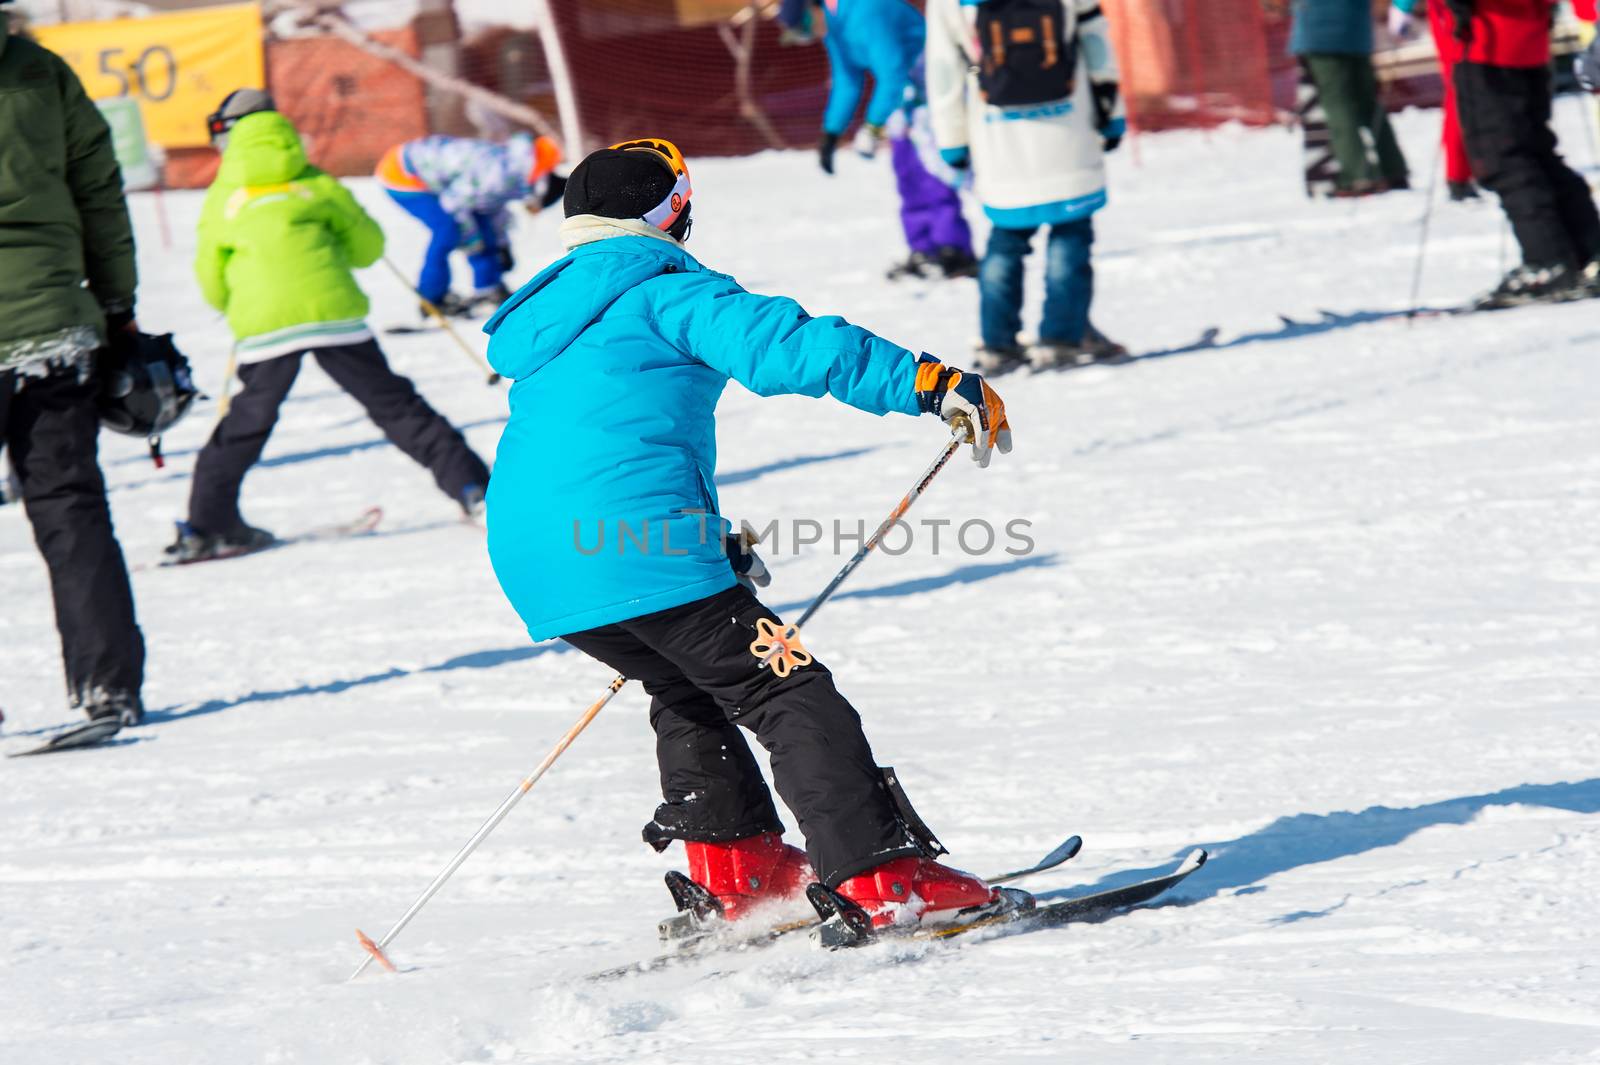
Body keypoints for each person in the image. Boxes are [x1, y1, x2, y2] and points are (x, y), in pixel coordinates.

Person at [482, 139, 1016, 930]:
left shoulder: (551, 317)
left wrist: (699, 546)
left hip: (537, 560)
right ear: (671, 211)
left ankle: (743, 867)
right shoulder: (662, 287)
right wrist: (929, 383)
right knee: (787, 686)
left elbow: (599, 445)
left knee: (687, 683)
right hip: (634, 547)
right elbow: (791, 346)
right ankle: (880, 877)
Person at [172, 92, 493, 561]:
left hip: (266, 323)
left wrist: (238, 307)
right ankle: (473, 489)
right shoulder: (313, 180)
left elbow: (209, 273)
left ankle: (208, 524)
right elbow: (366, 246)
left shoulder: (224, 191)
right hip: (333, 313)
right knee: (396, 406)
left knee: (246, 421)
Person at [0, 0, 147, 732]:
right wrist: (118, 304)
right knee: (69, 506)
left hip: (44, 321)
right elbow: (99, 191)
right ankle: (108, 684)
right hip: (52, 325)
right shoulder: (39, 70)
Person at [925, 0, 1128, 372]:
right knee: (1071, 234)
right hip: (1070, 127)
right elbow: (1096, 43)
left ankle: (998, 345)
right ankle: (1061, 338)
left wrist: (951, 139)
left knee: (1006, 239)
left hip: (999, 138)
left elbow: (943, 70)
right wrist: (1112, 114)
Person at [785, 0, 978, 279]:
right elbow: (847, 79)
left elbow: (891, 73)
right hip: (902, 95)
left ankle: (953, 249)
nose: (809, 35)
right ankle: (923, 248)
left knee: (934, 171)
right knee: (907, 170)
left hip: (932, 86)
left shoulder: (867, 10)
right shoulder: (833, 21)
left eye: (804, 26)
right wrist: (831, 133)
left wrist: (873, 127)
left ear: (811, 8)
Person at [1431, 0, 1600, 307]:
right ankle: (1586, 250)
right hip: (1524, 40)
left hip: (1489, 42)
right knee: (1535, 151)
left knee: (1504, 159)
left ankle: (1547, 260)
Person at [375, 131, 564, 318]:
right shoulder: (497, 175)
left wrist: (502, 246)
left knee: (480, 226)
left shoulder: (515, 172)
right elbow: (454, 205)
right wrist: (474, 244)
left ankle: (488, 288)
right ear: (538, 192)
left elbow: (491, 211)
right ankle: (432, 298)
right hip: (402, 172)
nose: (532, 210)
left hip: (438, 175)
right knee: (447, 231)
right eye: (535, 207)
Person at [1289, 0, 1410, 196]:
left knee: (1337, 105)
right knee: (1369, 103)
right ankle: (1393, 169)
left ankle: (1358, 175)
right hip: (1357, 33)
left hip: (1319, 34)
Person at [1389, 0, 1478, 200]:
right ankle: (1459, 174)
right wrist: (1403, 6)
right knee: (1462, 87)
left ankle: (1480, 167)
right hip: (1453, 10)